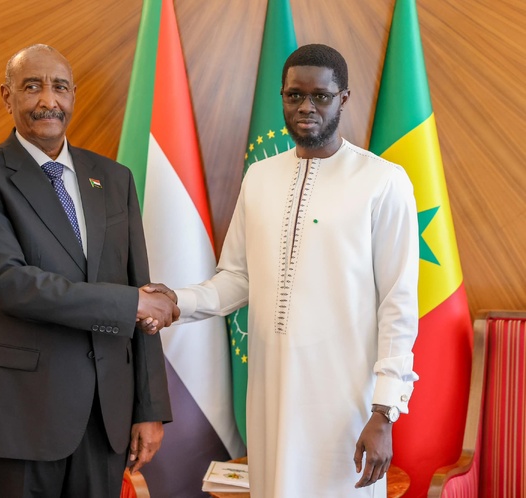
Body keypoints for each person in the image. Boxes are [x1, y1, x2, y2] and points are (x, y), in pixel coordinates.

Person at [144, 44, 419, 497]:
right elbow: (238, 278)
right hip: (271, 397)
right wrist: (177, 301)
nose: (306, 107)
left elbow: (399, 305)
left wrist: (384, 411)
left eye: (320, 96)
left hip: (346, 404)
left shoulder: (382, 182)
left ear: (343, 99)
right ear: (283, 97)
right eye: (294, 96)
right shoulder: (260, 177)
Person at [0, 44, 179, 498]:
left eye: (59, 87)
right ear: (7, 96)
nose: (48, 100)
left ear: (73, 96)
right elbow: (11, 285)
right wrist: (132, 302)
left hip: (105, 417)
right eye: (32, 86)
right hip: (18, 415)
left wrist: (149, 407)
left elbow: (139, 287)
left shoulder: (114, 179)